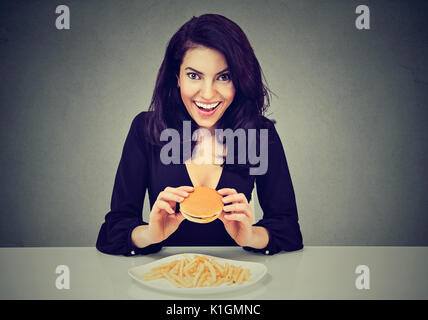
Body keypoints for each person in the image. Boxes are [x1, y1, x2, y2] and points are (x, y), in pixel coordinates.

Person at [96, 14, 303, 256]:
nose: (207, 94)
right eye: (194, 75)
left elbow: (288, 230)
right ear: (177, 77)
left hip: (235, 281)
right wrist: (150, 234)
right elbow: (112, 231)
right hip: (164, 282)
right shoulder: (146, 128)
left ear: (240, 80)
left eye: (224, 77)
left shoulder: (260, 134)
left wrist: (251, 236)